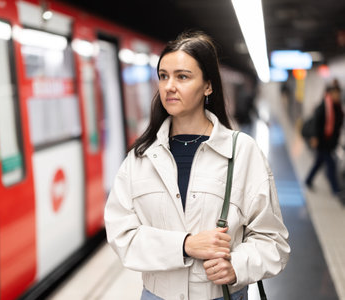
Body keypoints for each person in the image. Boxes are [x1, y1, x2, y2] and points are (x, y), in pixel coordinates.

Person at [104, 31, 290, 300]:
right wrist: (185, 245)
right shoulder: (141, 156)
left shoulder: (242, 152)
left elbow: (273, 242)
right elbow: (121, 235)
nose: (169, 86)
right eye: (163, 76)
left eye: (182, 76)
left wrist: (237, 266)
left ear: (208, 86)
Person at [305, 84, 344, 198]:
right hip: (323, 141)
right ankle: (335, 189)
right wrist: (314, 137)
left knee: (319, 163)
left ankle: (308, 180)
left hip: (330, 141)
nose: (338, 96)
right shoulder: (324, 106)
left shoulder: (336, 106)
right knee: (331, 164)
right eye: (336, 93)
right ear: (331, 93)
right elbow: (316, 123)